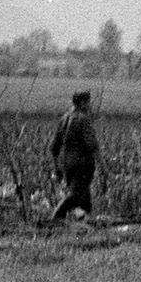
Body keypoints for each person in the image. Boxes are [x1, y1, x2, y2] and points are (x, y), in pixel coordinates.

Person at [49, 91, 102, 221]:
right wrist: (104, 167)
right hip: (82, 165)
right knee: (75, 196)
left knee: (85, 199)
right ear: (83, 103)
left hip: (67, 165)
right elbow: (93, 146)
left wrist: (57, 168)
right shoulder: (83, 119)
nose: (90, 106)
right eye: (88, 102)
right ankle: (54, 220)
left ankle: (87, 224)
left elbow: (54, 147)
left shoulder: (64, 119)